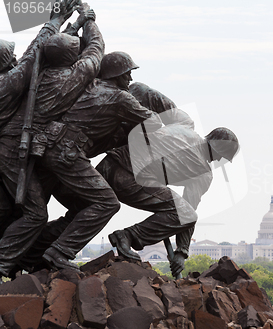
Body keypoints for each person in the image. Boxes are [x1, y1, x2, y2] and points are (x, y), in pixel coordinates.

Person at [15, 54, 162, 272]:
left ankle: (30, 255)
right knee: (108, 204)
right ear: (117, 75)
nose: (130, 78)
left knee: (83, 206)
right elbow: (154, 122)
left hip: (50, 148)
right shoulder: (121, 98)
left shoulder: (88, 86)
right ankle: (59, 253)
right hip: (67, 154)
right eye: (127, 73)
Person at [99, 83, 239, 278]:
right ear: (220, 150)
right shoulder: (204, 173)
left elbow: (141, 90)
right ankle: (127, 236)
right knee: (187, 213)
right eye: (224, 157)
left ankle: (52, 245)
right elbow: (186, 216)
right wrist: (181, 252)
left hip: (109, 163)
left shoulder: (184, 123)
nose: (220, 161)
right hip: (128, 179)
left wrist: (126, 98)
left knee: (85, 209)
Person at [0, 0, 87, 277]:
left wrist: (71, 28)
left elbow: (39, 56)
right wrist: (55, 19)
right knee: (35, 214)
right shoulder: (7, 84)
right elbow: (33, 56)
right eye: (10, 58)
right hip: (9, 151)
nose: (15, 59)